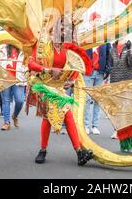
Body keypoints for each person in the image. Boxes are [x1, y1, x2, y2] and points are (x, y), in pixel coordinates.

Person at [27, 17, 93, 166]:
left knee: (65, 115)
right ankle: (45, 150)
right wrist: (48, 69)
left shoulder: (68, 47)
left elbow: (75, 66)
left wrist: (72, 79)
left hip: (60, 87)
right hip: (44, 85)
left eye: (67, 27)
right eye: (61, 26)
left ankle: (77, 152)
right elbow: (30, 63)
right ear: (55, 26)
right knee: (51, 115)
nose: (64, 30)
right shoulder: (42, 42)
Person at [84, 12, 111, 135]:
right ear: (91, 22)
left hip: (100, 72)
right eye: (96, 20)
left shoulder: (105, 37)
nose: (98, 23)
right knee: (87, 99)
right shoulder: (86, 36)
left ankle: (95, 125)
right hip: (88, 72)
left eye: (100, 21)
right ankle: (85, 124)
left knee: (97, 99)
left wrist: (107, 70)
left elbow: (108, 54)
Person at [108, 37, 132, 139]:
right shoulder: (112, 48)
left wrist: (129, 51)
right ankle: (117, 130)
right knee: (116, 107)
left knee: (128, 107)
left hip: (128, 81)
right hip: (115, 81)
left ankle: (128, 131)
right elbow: (110, 64)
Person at [0, 45, 26, 131]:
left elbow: (27, 64)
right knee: (6, 100)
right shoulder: (2, 48)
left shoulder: (23, 49)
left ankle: (15, 115)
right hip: (5, 79)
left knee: (20, 101)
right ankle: (6, 122)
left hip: (18, 79)